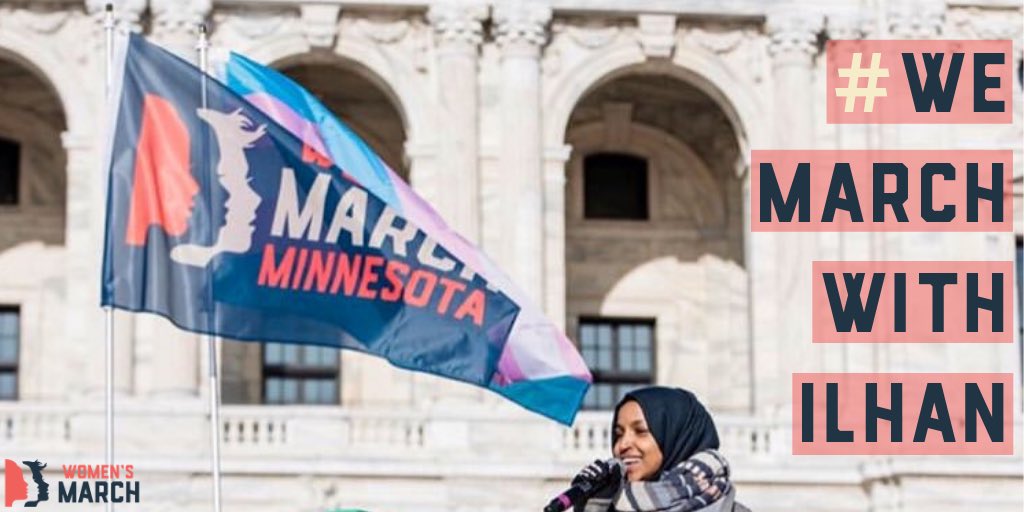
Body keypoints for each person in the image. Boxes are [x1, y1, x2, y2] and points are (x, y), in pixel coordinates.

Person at [571, 387, 750, 512]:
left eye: (640, 431)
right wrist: (592, 505)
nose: (622, 445)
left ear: (677, 437)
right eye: (618, 434)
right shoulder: (608, 504)